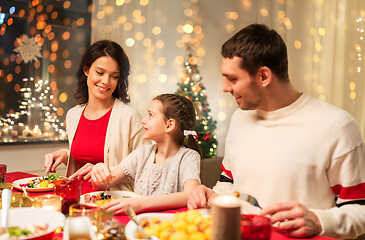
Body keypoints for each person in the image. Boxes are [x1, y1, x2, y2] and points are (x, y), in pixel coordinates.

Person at [187, 24, 365, 239]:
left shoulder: (337, 126)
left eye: (232, 78)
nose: (225, 87)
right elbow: (230, 183)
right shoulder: (240, 117)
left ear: (263, 76)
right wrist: (212, 195)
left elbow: (360, 208)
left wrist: (319, 221)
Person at [44, 40, 144, 190]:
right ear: (86, 70)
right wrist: (66, 155)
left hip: (113, 202)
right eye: (100, 72)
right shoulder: (73, 115)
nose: (106, 81)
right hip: (76, 198)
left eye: (114, 76)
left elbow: (144, 168)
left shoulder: (130, 117)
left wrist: (105, 173)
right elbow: (86, 159)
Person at [90, 93, 202, 214]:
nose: (143, 120)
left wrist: (142, 204)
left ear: (169, 125)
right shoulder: (142, 153)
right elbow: (103, 185)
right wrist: (98, 171)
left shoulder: (188, 157)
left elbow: (190, 194)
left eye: (150, 115)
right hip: (139, 222)